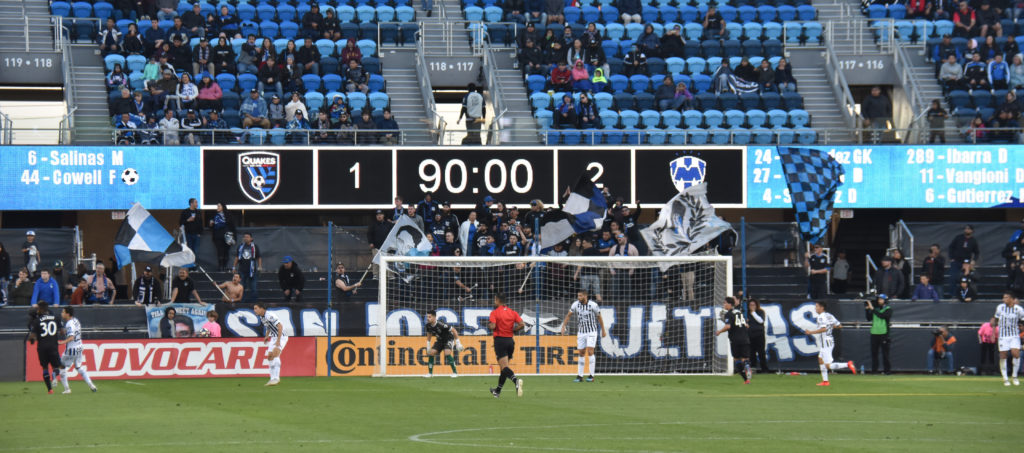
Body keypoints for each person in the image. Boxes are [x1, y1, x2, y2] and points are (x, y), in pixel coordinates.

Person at [803, 301, 856, 386]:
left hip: (826, 342)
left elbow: (824, 329)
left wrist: (811, 332)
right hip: (829, 340)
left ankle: (847, 364)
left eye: (817, 306)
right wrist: (830, 326)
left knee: (828, 365)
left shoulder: (821, 317)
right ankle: (825, 381)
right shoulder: (829, 315)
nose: (815, 308)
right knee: (820, 359)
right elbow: (839, 326)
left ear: (822, 307)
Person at [560, 289, 606, 382]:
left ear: (585, 296)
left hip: (592, 331)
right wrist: (563, 326)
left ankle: (591, 376)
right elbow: (569, 315)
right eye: (578, 296)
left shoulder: (593, 305)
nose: (578, 297)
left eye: (580, 296)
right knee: (581, 353)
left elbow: (599, 317)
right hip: (581, 332)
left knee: (590, 351)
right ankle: (580, 376)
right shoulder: (575, 304)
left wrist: (603, 330)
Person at [488, 293, 524, 398]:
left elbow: (493, 325)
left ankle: (516, 381)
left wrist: (490, 325)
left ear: (497, 300)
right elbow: (522, 324)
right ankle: (497, 391)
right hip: (510, 341)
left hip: (500, 341)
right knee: (504, 368)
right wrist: (514, 330)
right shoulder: (512, 312)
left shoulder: (494, 313)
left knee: (504, 368)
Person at [57, 306, 97, 393]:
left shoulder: (69, 323)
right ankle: (91, 385)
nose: (61, 313)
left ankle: (67, 389)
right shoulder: (76, 320)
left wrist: (62, 342)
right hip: (79, 347)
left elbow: (71, 337)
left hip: (71, 349)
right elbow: (71, 332)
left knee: (61, 366)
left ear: (67, 314)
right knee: (79, 367)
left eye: (63, 312)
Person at [27, 302, 64, 394]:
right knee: (57, 366)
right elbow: (62, 332)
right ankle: (54, 376)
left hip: (42, 347)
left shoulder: (37, 321)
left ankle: (50, 390)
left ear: (39, 309)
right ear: (47, 308)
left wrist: (31, 340)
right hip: (53, 346)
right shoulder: (56, 318)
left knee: (44, 367)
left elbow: (32, 336)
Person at [715, 296, 752, 384]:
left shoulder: (729, 313)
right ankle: (747, 365)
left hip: (735, 339)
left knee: (736, 359)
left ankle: (746, 379)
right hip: (745, 338)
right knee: (745, 358)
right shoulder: (739, 312)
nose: (724, 304)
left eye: (725, 303)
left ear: (729, 304)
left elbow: (728, 326)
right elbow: (747, 325)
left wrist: (719, 331)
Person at [991, 291, 1024, 385]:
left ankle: (1014, 376)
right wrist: (993, 333)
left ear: (1012, 299)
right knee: (1003, 355)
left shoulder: (1019, 309)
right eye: (1003, 297)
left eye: (1006, 297)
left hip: (1014, 335)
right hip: (1003, 336)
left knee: (1016, 354)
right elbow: (995, 320)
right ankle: (1005, 378)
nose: (1004, 299)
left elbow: (1022, 321)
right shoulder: (1000, 308)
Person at [254, 302, 287, 386]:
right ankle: (272, 379)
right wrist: (266, 336)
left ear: (262, 308)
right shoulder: (262, 317)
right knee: (269, 357)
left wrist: (278, 340)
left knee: (275, 354)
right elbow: (268, 327)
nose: (255, 310)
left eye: (256, 308)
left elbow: (280, 326)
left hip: (281, 337)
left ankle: (276, 378)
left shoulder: (270, 315)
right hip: (273, 337)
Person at [424, 309, 464, 378]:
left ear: (434, 317)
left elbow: (454, 330)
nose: (428, 318)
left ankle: (455, 372)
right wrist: (428, 345)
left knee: (447, 353)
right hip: (440, 340)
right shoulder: (428, 326)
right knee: (431, 353)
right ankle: (430, 373)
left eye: (429, 317)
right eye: (427, 317)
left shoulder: (441, 324)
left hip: (448, 339)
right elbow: (429, 334)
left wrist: (458, 343)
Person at [864, 294, 893, 374]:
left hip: (884, 333)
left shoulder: (888, 309)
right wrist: (867, 310)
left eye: (881, 299)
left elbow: (882, 316)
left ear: (885, 301)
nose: (879, 301)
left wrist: (872, 309)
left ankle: (887, 371)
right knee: (874, 354)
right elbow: (869, 318)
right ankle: (874, 371)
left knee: (885, 354)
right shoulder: (875, 309)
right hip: (874, 333)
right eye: (879, 299)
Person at [948, 225, 980, 294]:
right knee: (953, 278)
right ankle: (953, 295)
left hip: (966, 264)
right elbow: (951, 247)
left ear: (972, 231)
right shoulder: (958, 237)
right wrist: (951, 258)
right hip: (956, 262)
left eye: (968, 229)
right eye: (966, 229)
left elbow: (977, 252)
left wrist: (973, 260)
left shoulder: (973, 241)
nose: (966, 230)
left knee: (965, 279)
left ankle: (965, 295)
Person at [573, 237, 603, 302]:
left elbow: (581, 263)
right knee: (598, 294)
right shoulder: (597, 251)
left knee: (584, 294)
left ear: (589, 243)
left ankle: (583, 309)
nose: (583, 245)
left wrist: (576, 273)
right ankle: (601, 308)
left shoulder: (585, 251)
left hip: (585, 275)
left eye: (584, 243)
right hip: (595, 275)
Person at [234, 232, 261, 303]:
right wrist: (234, 267)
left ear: (251, 238)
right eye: (244, 237)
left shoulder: (255, 246)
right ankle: (241, 302)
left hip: (252, 270)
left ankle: (254, 303)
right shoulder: (240, 247)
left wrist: (260, 266)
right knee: (241, 287)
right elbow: (237, 257)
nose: (245, 238)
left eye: (247, 237)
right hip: (242, 270)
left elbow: (259, 257)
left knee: (253, 288)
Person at [208, 202, 235, 271]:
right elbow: (211, 226)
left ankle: (225, 266)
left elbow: (232, 226)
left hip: (227, 235)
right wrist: (211, 224)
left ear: (223, 207)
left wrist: (233, 236)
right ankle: (220, 266)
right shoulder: (214, 215)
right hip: (218, 235)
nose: (218, 207)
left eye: (219, 206)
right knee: (220, 251)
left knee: (226, 251)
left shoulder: (228, 215)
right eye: (217, 206)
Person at [747, 298, 770, 373]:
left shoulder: (760, 312)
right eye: (750, 305)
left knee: (761, 352)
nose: (752, 306)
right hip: (750, 335)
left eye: (753, 305)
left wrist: (753, 312)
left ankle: (764, 369)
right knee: (751, 353)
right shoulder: (746, 313)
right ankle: (753, 368)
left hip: (759, 335)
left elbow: (761, 321)